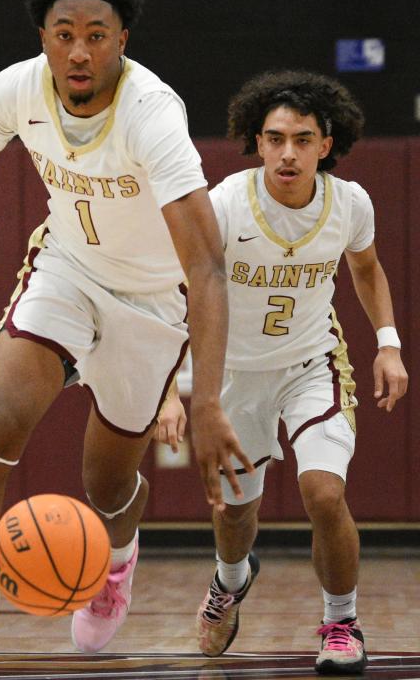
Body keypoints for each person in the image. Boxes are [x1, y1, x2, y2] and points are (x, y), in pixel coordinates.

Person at [0, 0, 251, 680]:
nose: (79, 50)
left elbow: (205, 264)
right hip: (66, 271)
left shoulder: (153, 116)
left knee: (108, 487)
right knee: (0, 422)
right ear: (43, 36)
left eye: (97, 34)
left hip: (152, 301)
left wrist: (204, 399)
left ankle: (115, 564)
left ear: (122, 41)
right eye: (64, 32)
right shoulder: (16, 90)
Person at [170, 70, 407, 674]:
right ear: (258, 141)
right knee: (235, 518)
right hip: (232, 374)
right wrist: (173, 386)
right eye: (275, 138)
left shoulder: (349, 202)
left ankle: (340, 621)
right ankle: (231, 579)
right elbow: (182, 291)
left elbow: (369, 269)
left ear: (326, 144)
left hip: (311, 364)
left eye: (302, 139)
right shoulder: (225, 202)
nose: (287, 152)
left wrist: (388, 344)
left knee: (324, 493)